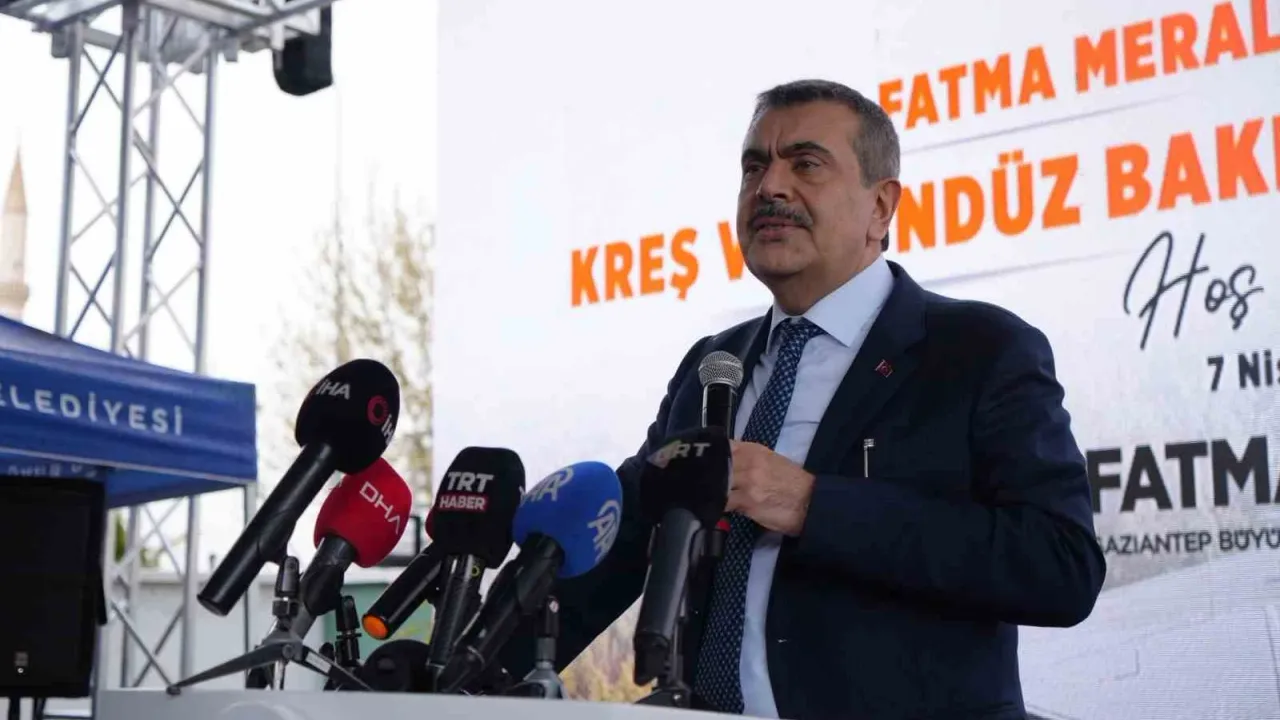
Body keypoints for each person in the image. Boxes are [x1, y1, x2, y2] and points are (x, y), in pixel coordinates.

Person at [499, 79, 1106, 719]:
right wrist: (465, 673)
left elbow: (1060, 567)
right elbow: (617, 548)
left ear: (881, 207)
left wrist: (813, 504)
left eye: (806, 165)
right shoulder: (713, 367)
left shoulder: (977, 350)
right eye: (753, 167)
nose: (770, 187)